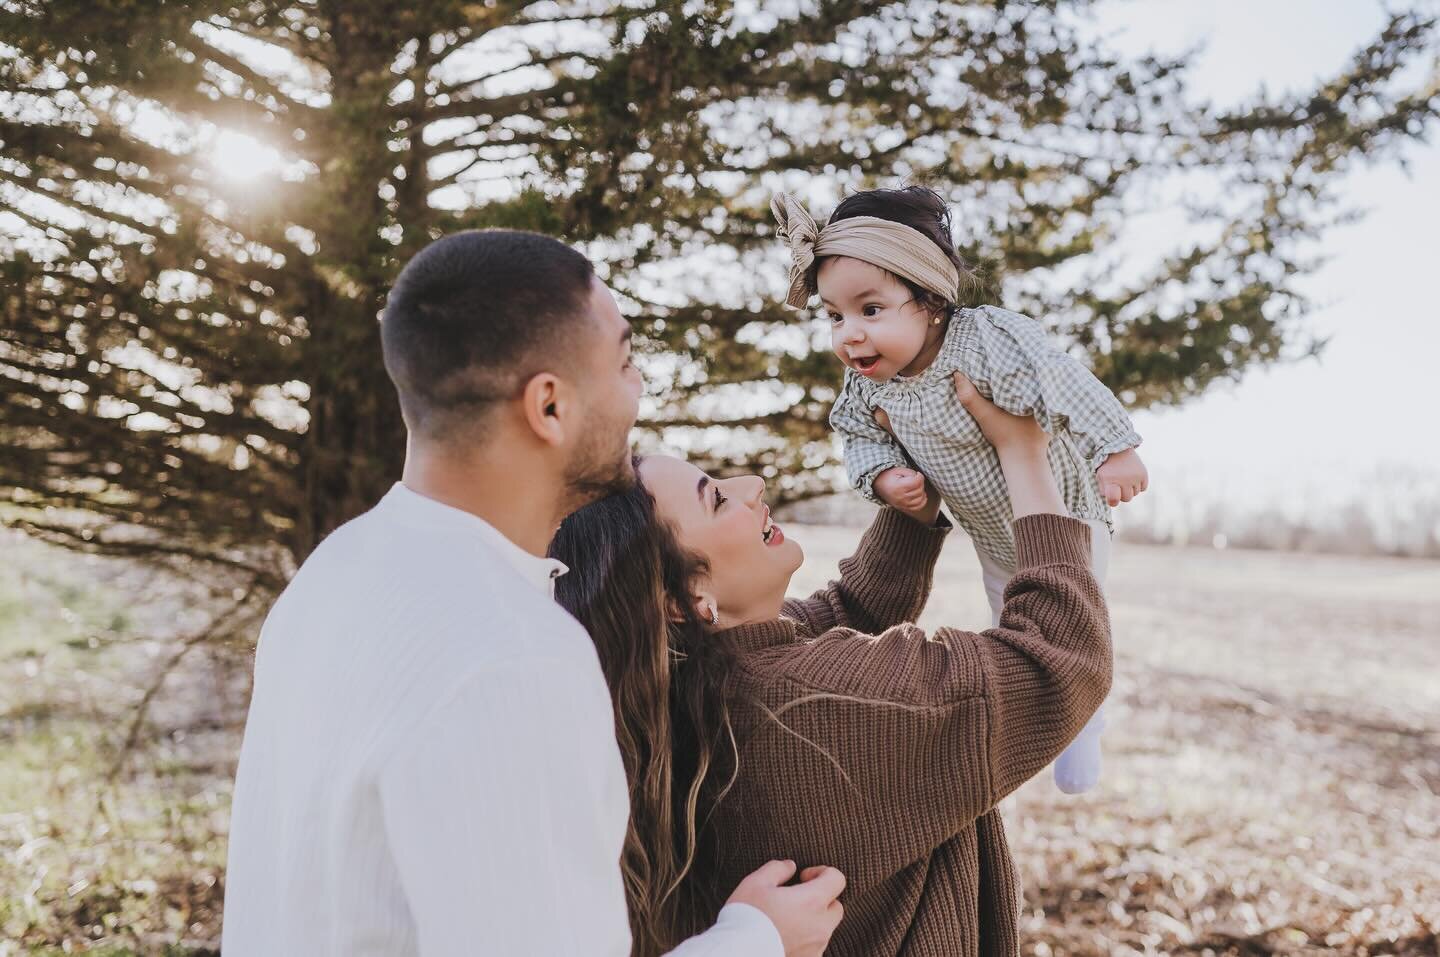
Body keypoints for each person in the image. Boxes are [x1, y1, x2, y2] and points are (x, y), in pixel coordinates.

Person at [221, 230, 845, 956]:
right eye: (624, 363)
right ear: (549, 406)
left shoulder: (330, 577)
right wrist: (755, 940)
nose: (637, 388)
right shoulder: (514, 651)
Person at [550, 371, 1114, 956]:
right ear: (687, 599)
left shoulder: (678, 685)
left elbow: (845, 612)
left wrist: (912, 506)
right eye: (716, 498)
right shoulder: (818, 707)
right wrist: (1024, 455)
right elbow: (1055, 659)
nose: (750, 483)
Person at [770, 185, 1147, 794]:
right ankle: (1051, 720)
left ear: (930, 301)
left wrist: (1117, 448)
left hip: (1063, 512)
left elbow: (1061, 379)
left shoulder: (985, 341)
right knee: (1015, 621)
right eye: (835, 316)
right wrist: (885, 476)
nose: (850, 336)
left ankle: (1086, 724)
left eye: (871, 310)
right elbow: (857, 435)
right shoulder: (868, 386)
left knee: (1074, 616)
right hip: (990, 530)